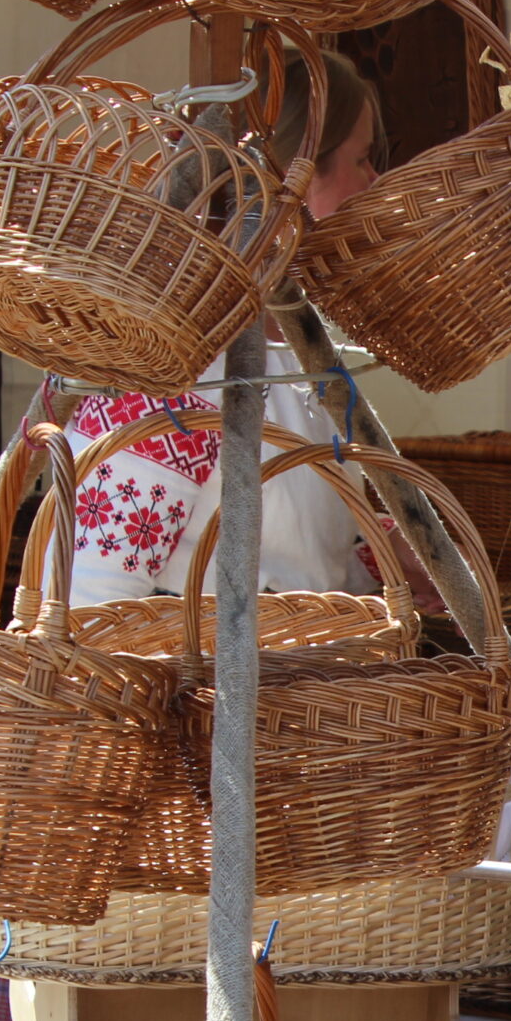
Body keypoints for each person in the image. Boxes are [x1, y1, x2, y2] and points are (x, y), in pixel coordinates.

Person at [58, 47, 403, 612]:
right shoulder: (169, 373)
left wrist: (385, 555)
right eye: (363, 159)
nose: (373, 181)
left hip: (309, 689)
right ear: (294, 172)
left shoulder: (297, 351)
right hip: (204, 692)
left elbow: (300, 556)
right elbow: (92, 605)